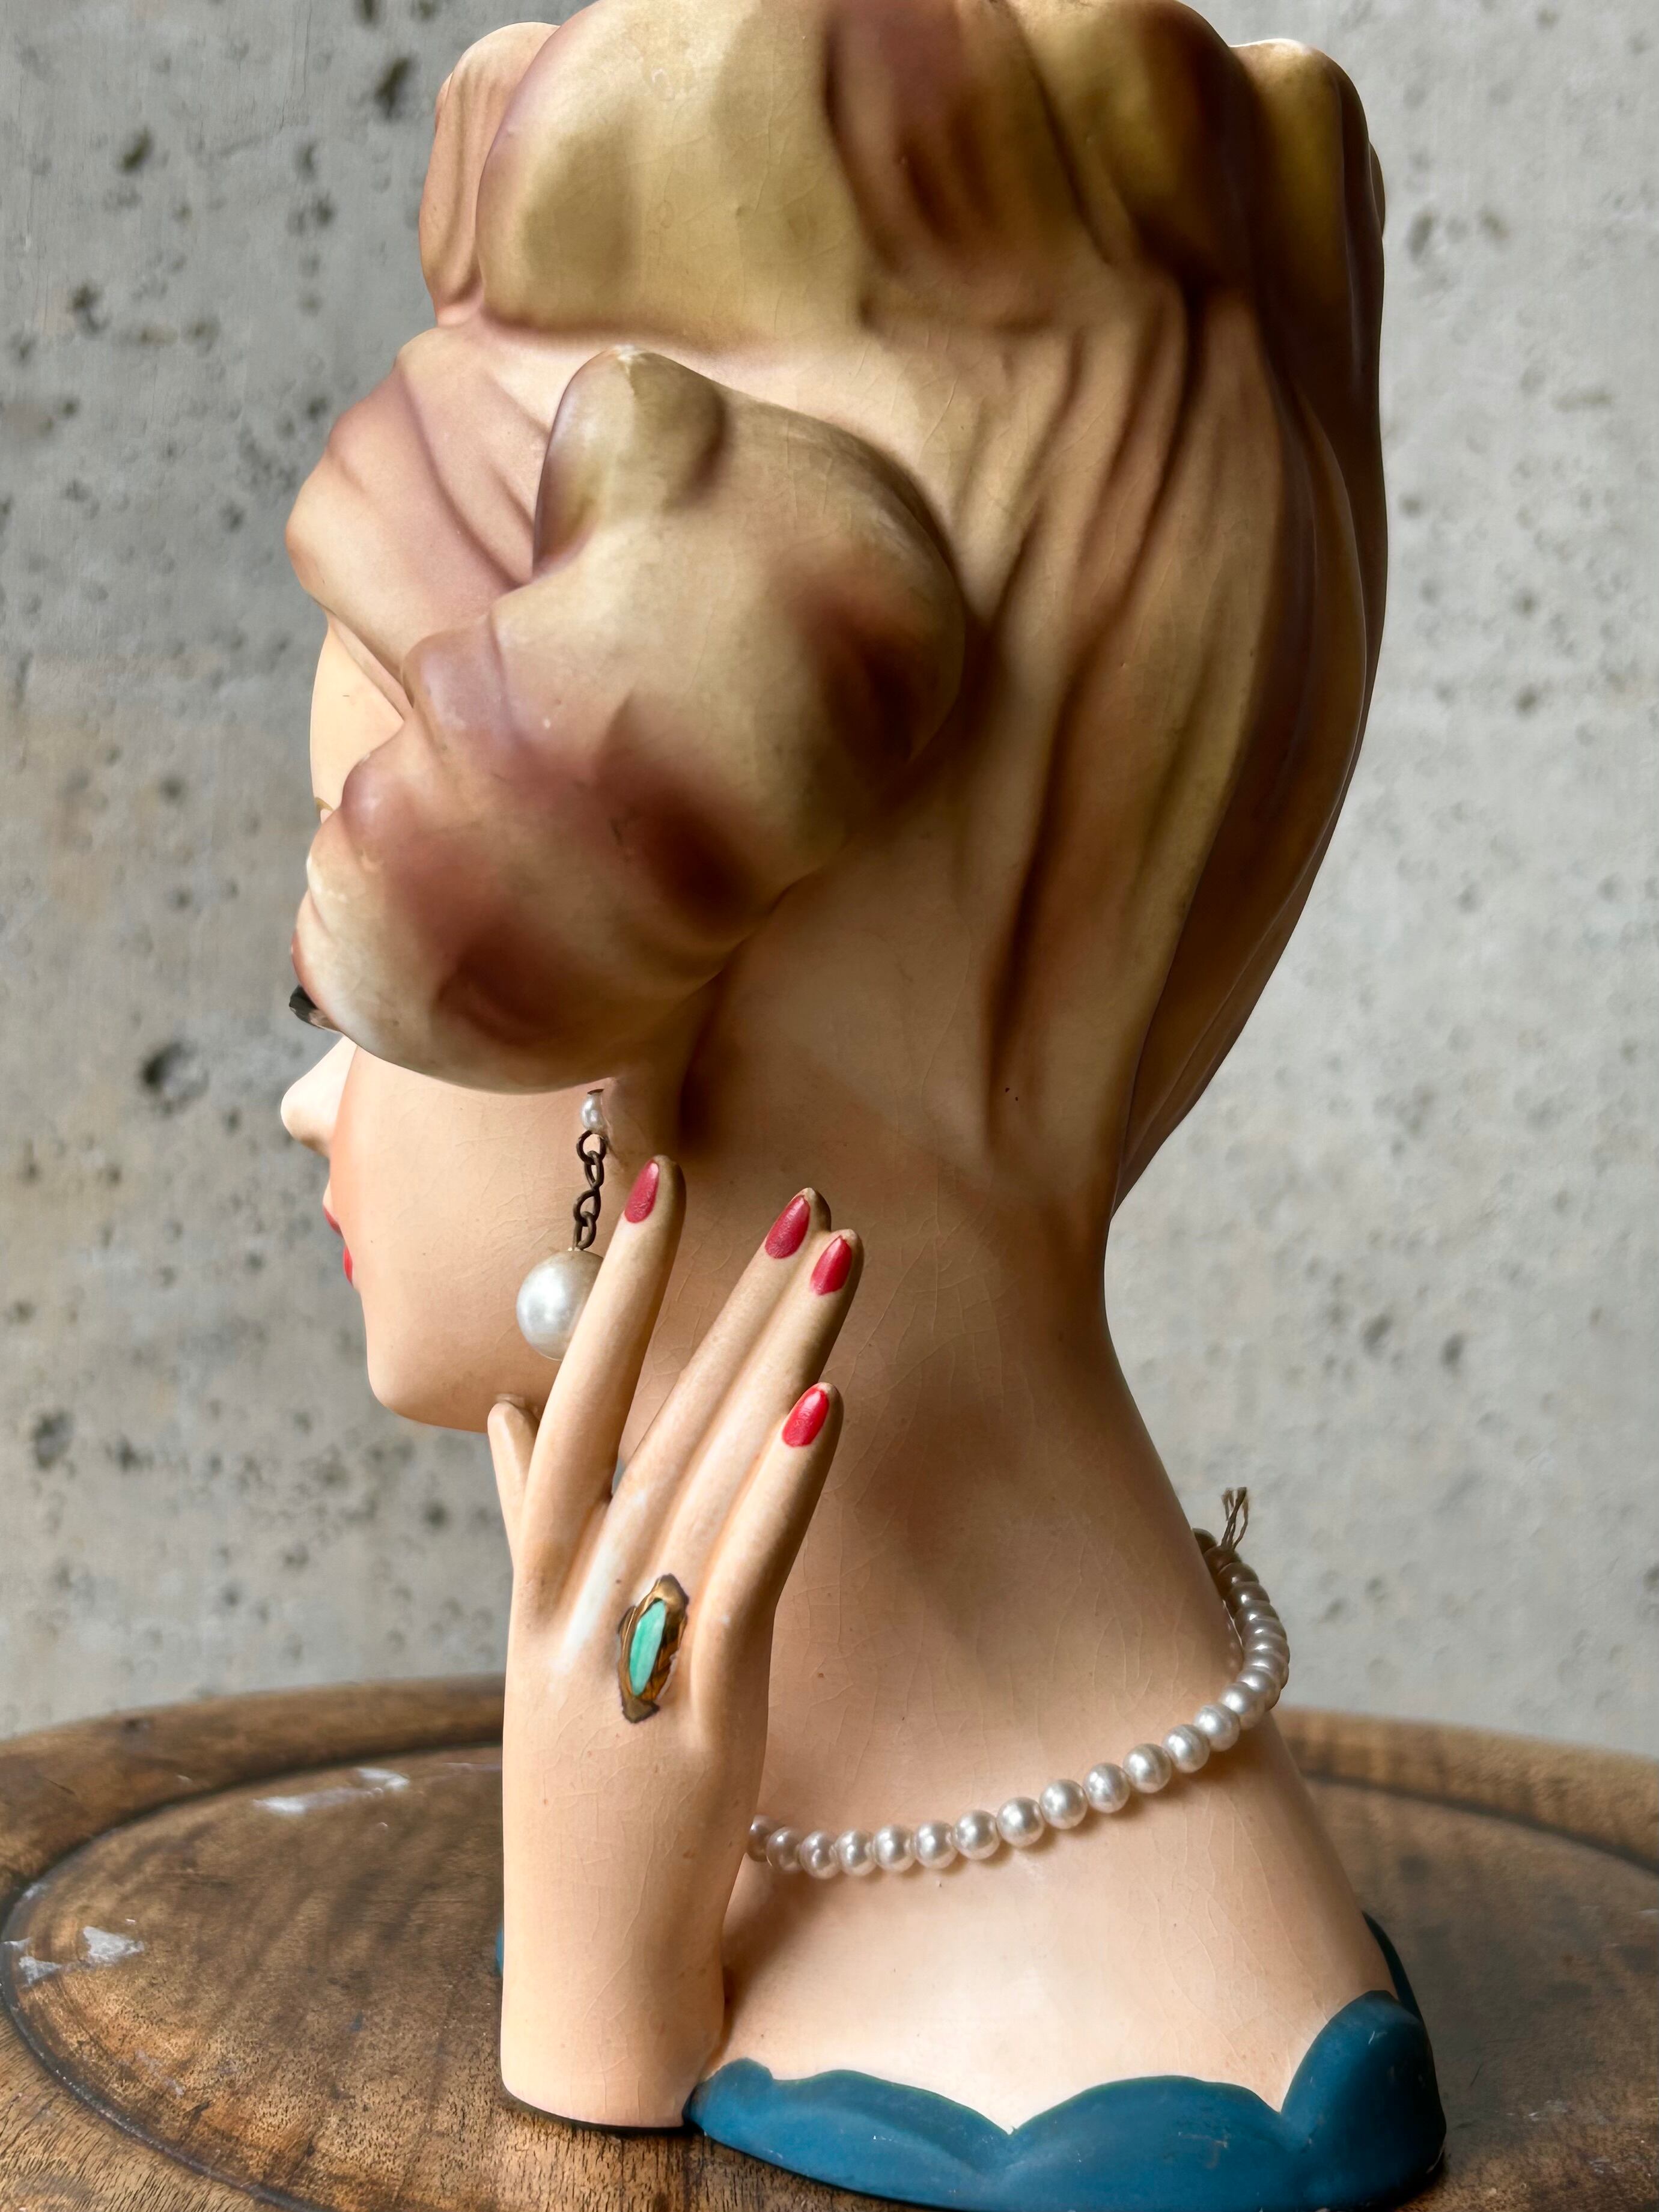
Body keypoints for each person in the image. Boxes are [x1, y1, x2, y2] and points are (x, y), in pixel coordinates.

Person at [281, 2, 1444, 2203]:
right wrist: (607, 1966)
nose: (306, 1100)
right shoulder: (694, 1784)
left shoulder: (1143, 2055)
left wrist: (596, 2018)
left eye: (335, 973)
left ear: (644, 1026)